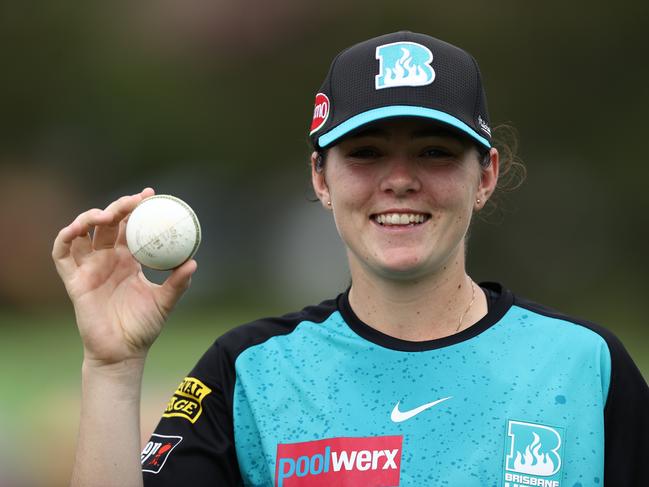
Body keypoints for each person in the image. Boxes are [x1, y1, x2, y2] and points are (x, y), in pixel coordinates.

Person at [53, 31, 648, 487]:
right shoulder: (248, 374)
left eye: (435, 152)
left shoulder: (585, 366)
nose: (399, 181)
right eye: (365, 153)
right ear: (321, 178)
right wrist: (112, 367)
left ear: (485, 175)